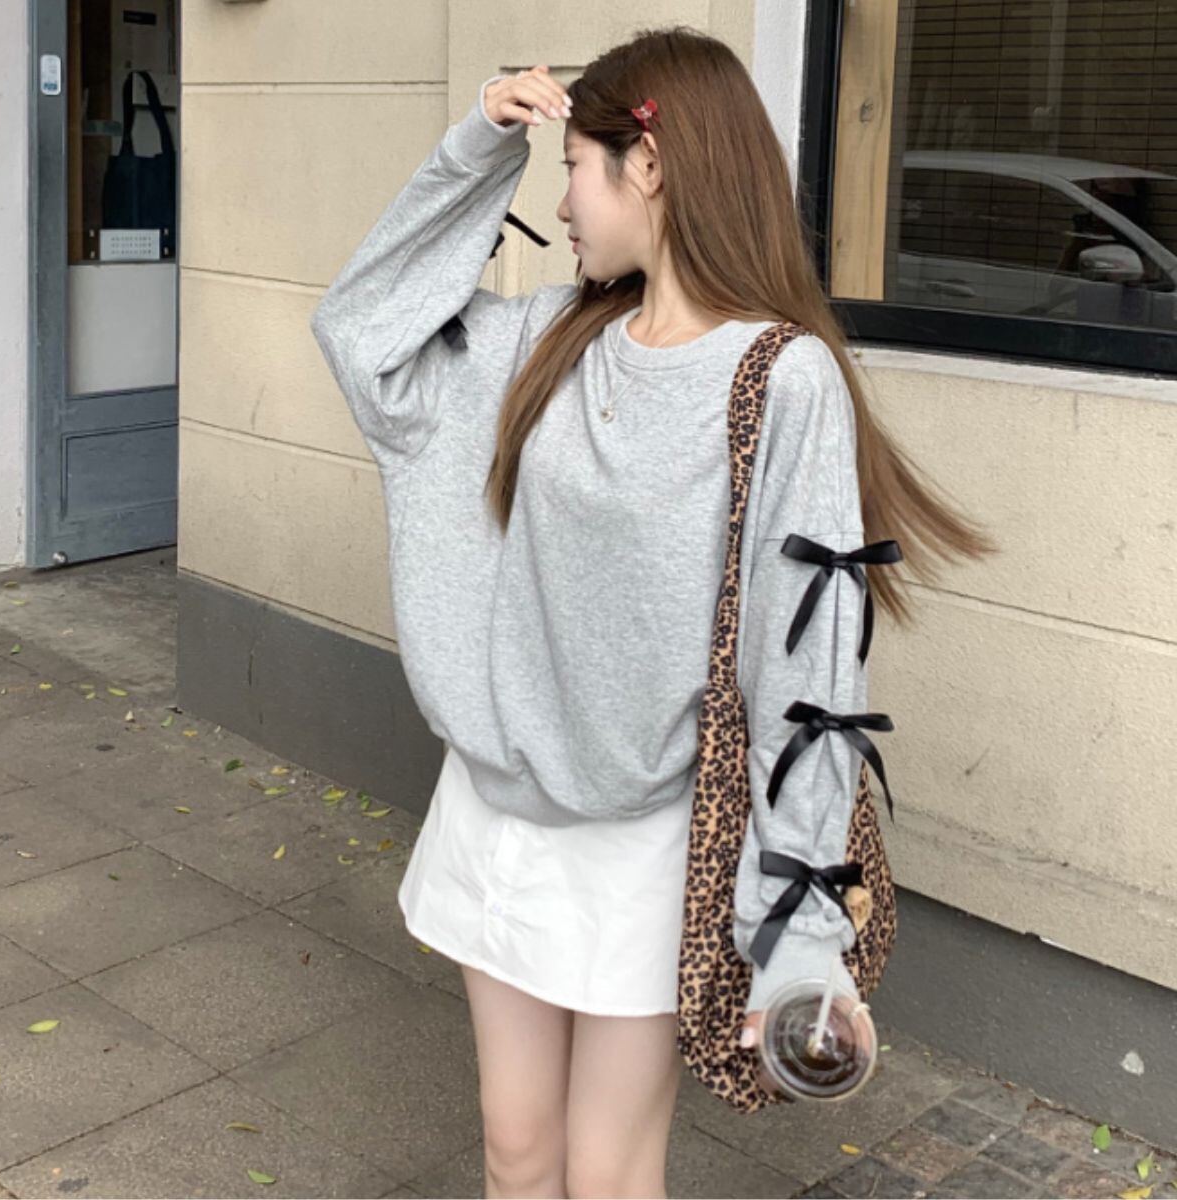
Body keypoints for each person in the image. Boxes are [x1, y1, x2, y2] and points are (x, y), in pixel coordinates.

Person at [309, 25, 997, 1199]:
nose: (561, 203)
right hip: (500, 811)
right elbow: (363, 338)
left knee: (610, 1174)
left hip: (651, 841)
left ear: (652, 164)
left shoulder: (781, 380)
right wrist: (478, 150)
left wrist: (800, 932)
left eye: (573, 167)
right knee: (515, 1151)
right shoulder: (545, 339)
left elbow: (810, 674)